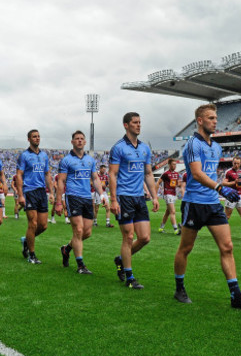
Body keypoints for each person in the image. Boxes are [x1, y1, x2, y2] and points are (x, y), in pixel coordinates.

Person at [173, 104, 241, 308]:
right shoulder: (192, 144)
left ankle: (236, 295)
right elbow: (196, 173)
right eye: (211, 118)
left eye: (216, 118)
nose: (215, 121)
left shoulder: (217, 147)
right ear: (200, 121)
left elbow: (210, 173)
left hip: (213, 204)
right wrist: (220, 187)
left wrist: (219, 188)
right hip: (194, 203)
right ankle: (179, 288)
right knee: (186, 248)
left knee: (227, 247)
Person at [110, 112, 159, 289]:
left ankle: (121, 259)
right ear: (126, 125)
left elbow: (148, 173)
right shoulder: (118, 148)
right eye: (135, 122)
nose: (138, 125)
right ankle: (130, 277)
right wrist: (113, 199)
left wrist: (154, 197)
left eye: (140, 122)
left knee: (145, 237)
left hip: (139, 197)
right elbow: (113, 174)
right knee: (129, 237)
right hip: (124, 197)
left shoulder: (145, 148)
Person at [56, 131, 107, 275]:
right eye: (76, 139)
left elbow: (95, 179)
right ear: (72, 142)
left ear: (85, 142)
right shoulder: (66, 160)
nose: (79, 141)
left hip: (87, 198)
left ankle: (66, 249)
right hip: (73, 196)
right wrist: (59, 202)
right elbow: (61, 181)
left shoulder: (90, 160)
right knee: (78, 230)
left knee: (87, 232)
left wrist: (102, 194)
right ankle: (80, 265)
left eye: (81, 139)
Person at [16, 129, 54, 264]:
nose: (37, 138)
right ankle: (31, 255)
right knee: (33, 223)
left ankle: (27, 240)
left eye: (38, 136)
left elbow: (47, 175)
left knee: (43, 225)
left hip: (41, 192)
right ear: (29, 139)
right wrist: (20, 194)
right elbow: (19, 175)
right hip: (29, 191)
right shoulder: (24, 155)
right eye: (34, 137)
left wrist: (51, 193)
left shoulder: (44, 156)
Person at [156, 158, 181, 235]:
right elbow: (158, 183)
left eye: (175, 164)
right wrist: (156, 195)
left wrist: (179, 185)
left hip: (173, 194)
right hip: (167, 193)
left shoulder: (176, 174)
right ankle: (176, 229)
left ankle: (161, 228)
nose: (174, 166)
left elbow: (177, 184)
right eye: (173, 164)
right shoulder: (166, 173)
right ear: (169, 165)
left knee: (168, 212)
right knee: (173, 211)